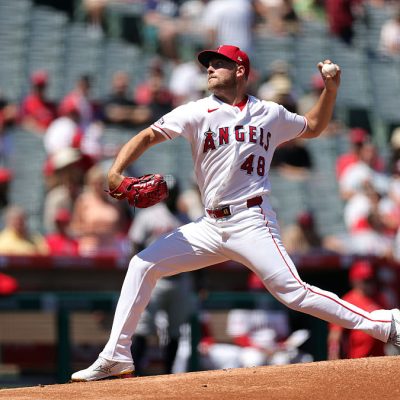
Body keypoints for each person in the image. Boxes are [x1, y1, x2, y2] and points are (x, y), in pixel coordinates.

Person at [71, 44, 400, 382]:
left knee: (294, 293)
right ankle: (115, 355)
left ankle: (386, 325)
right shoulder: (197, 111)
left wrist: (330, 91)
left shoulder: (269, 113)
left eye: (219, 64)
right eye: (208, 65)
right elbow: (148, 134)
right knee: (143, 264)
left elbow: (314, 126)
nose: (210, 69)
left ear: (240, 70)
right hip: (209, 224)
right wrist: (117, 170)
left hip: (252, 221)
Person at [129, 177, 193, 375]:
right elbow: (136, 244)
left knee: (175, 331)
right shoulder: (149, 216)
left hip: (179, 279)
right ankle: (136, 372)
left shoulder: (185, 218)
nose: (171, 196)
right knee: (143, 328)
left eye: (173, 193)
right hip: (154, 279)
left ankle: (169, 373)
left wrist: (201, 282)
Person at [328, 260, 389, 359]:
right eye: (365, 280)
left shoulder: (380, 298)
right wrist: (333, 357)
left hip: (380, 358)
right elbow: (335, 334)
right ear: (355, 281)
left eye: (371, 280)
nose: (369, 284)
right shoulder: (347, 301)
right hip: (357, 360)